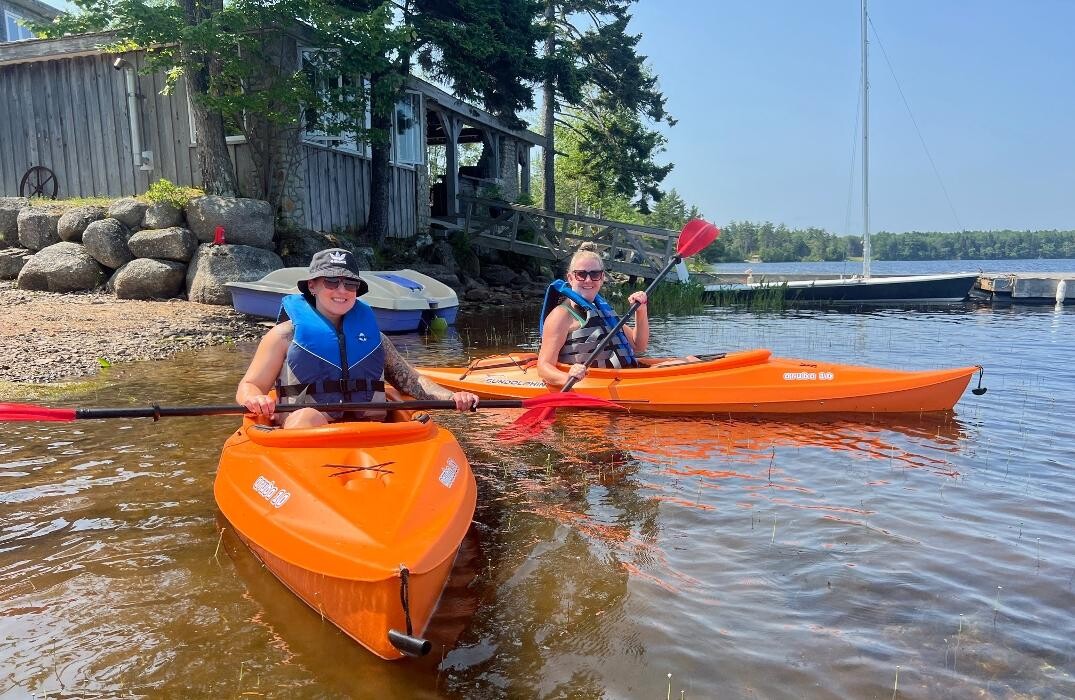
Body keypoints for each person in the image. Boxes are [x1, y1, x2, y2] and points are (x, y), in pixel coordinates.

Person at [237, 248, 479, 428]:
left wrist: (452, 396)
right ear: (312, 286)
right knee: (305, 416)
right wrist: (254, 398)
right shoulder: (284, 336)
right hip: (307, 433)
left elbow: (411, 380)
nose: (341, 290)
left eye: (350, 284)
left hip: (369, 430)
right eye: (331, 281)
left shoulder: (377, 340)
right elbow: (250, 385)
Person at [536, 242, 649, 388]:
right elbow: (544, 367)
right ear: (570, 278)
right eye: (581, 274)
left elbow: (638, 345)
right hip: (589, 384)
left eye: (594, 274)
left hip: (623, 378)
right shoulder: (560, 316)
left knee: (689, 359)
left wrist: (641, 311)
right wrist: (568, 377)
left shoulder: (603, 311)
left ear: (602, 278)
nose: (588, 280)